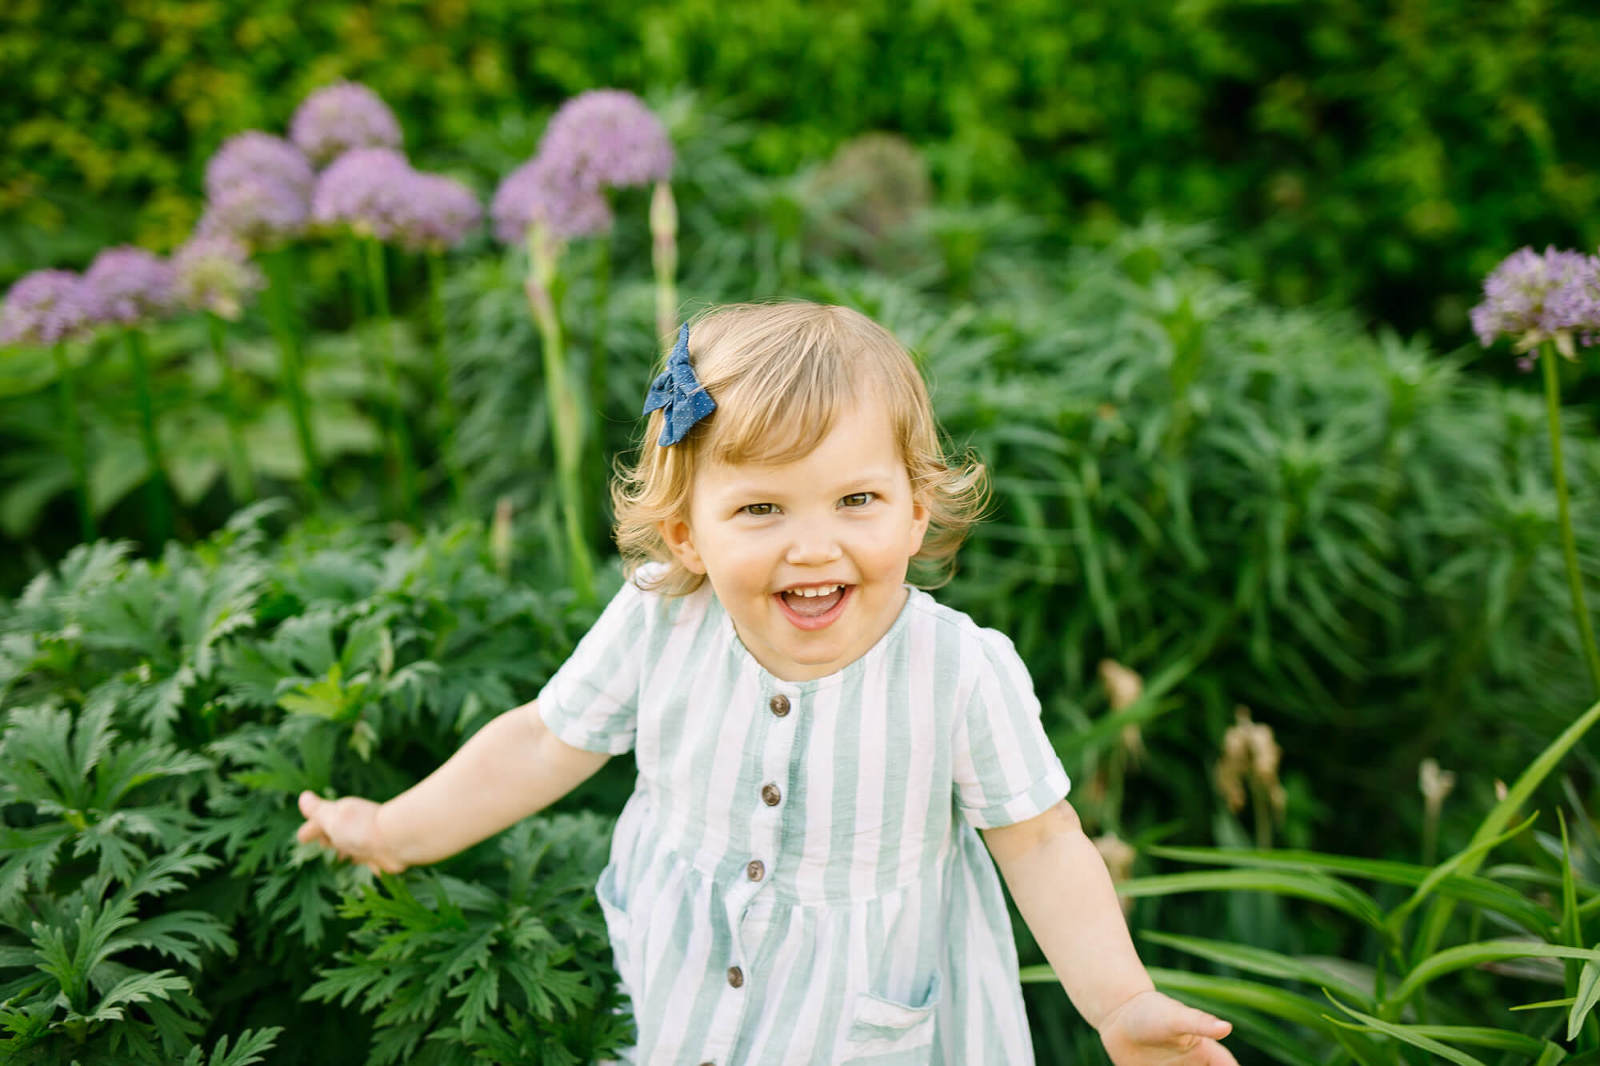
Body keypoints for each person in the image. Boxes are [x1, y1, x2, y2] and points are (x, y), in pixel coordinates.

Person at [297, 302, 1240, 1065]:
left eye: (857, 500)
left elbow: (1039, 844)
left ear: (918, 511)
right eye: (759, 508)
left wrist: (1119, 1002)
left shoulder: (957, 671)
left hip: (860, 1021)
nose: (814, 544)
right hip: (680, 974)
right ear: (685, 533)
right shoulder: (664, 618)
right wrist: (391, 830)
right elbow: (548, 738)